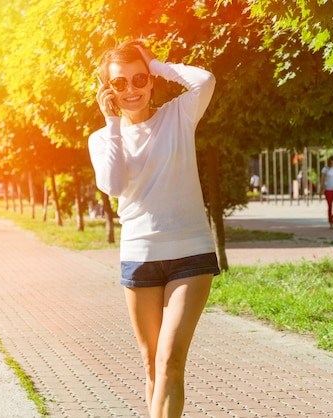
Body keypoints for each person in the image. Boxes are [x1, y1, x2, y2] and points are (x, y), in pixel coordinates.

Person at [88, 39, 220, 418]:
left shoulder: (178, 115)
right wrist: (112, 123)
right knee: (151, 365)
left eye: (139, 78)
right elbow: (113, 184)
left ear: (150, 81)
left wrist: (158, 63)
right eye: (119, 83)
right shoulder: (101, 138)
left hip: (189, 253)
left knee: (169, 360)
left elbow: (205, 80)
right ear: (107, 91)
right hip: (139, 256)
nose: (131, 89)